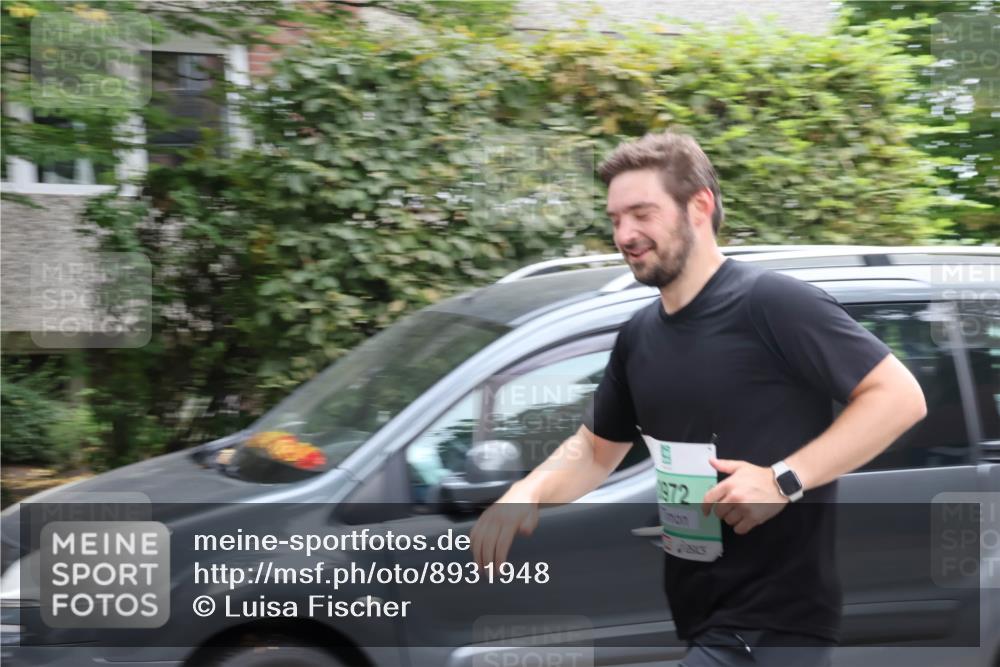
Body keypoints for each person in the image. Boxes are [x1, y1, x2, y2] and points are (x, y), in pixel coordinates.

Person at [468, 131, 927, 667]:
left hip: (775, 626)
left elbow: (899, 396)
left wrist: (782, 480)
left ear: (699, 206)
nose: (625, 234)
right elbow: (595, 451)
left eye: (642, 213)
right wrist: (528, 490)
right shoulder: (640, 335)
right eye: (615, 219)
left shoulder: (771, 304)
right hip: (705, 618)